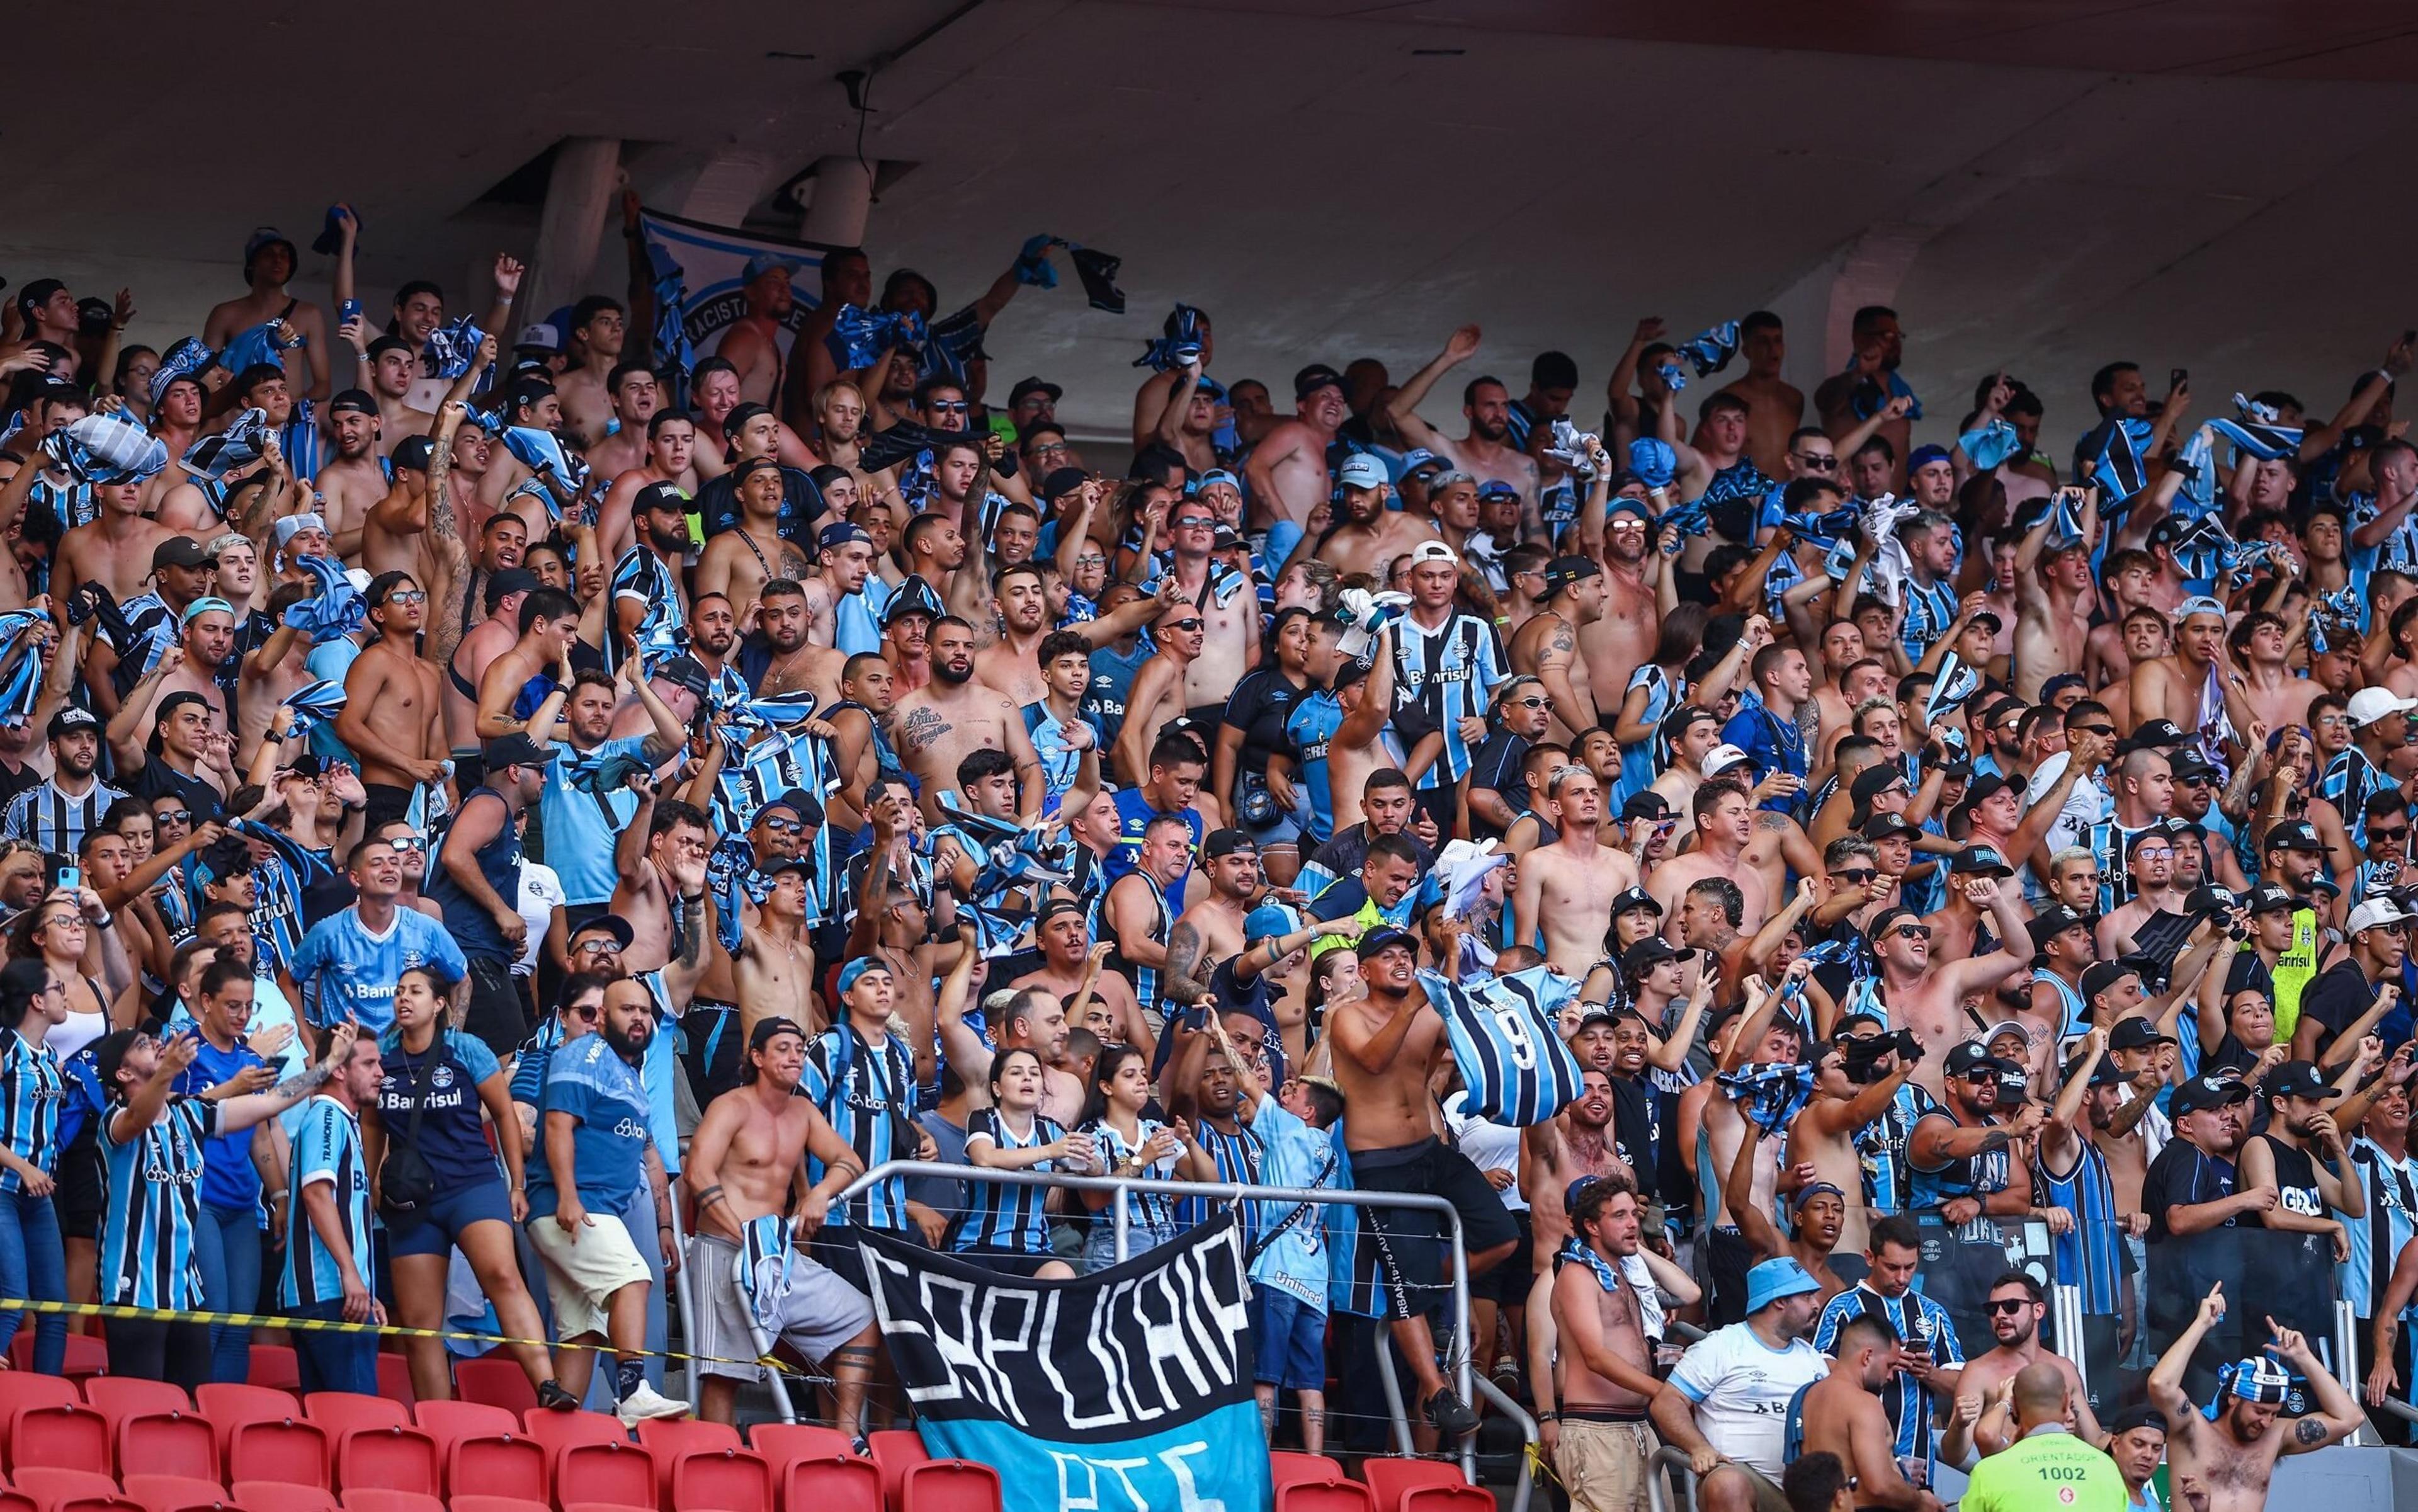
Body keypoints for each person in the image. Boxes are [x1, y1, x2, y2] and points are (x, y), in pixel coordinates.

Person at [1329, 927, 1521, 1440]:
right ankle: (1437, 1392)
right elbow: (1373, 1060)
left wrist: (1453, 958)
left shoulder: (1423, 1010)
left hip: (1432, 1152)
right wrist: (1414, 1005)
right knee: (1406, 1291)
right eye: (1386, 955)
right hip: (1381, 1162)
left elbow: (1453, 1032)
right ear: (1364, 970)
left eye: (1406, 955)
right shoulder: (1348, 1015)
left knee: (1502, 1235)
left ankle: (1423, 1283)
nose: (1399, 961)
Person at [92, 1018, 358, 1387]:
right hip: (133, 1289)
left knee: (188, 1409)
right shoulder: (114, 1121)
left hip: (186, 1293)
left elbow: (270, 1103)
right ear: (122, 1073)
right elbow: (138, 1117)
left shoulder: (190, 1114)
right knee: (140, 1406)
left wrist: (329, 1066)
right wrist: (167, 1074)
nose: (153, 1045)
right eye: (141, 1045)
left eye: (152, 1041)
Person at [360, 965, 571, 1408]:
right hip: (411, 1199)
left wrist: (516, 1183)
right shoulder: (382, 1055)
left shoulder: (466, 1049)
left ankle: (547, 1386)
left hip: (472, 1183)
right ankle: (437, 1419)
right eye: (399, 991)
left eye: (415, 991)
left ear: (439, 1004)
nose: (403, 998)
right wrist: (374, 1179)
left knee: (502, 1275)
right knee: (420, 1323)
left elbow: (505, 1115)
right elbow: (372, 1121)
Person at [525, 977, 688, 1424]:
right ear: (601, 1017)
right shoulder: (586, 1053)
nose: (638, 1017)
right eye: (626, 1009)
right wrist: (568, 1196)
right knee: (634, 1277)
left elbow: (648, 1154)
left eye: (645, 1010)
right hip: (579, 1209)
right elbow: (557, 1125)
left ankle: (558, 1438)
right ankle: (633, 1390)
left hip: (595, 1210)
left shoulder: (628, 1074)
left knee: (584, 1332)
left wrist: (664, 1223)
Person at [2148, 1283, 2366, 1512]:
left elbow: (2350, 1419)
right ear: (2233, 1399)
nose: (2267, 1422)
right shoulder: (2192, 1430)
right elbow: (2160, 1385)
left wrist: (2304, 1358)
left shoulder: (2275, 1436)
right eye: (2260, 1411)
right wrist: (2202, 1324)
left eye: (2274, 1413)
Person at [1649, 1256, 1832, 1512]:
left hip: (1803, 1491)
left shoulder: (1812, 1358)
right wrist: (1699, 1447)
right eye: (1807, 1297)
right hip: (1741, 1480)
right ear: (1780, 1301)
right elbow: (1667, 1403)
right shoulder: (1722, 1345)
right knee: (1728, 1484)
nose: (1816, 1304)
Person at [1547, 1171, 1665, 1512]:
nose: (1632, 1224)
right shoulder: (1576, 1275)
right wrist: (1661, 1391)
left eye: (1633, 1214)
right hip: (1597, 1431)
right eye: (1619, 1216)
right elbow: (1595, 1356)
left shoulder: (1624, 1274)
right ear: (1592, 1226)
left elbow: (1688, 1292)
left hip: (1638, 1426)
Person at [281, 1031, 385, 1395]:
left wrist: (367, 1286)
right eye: (369, 1064)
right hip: (330, 1296)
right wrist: (351, 1274)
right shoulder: (327, 1117)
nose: (380, 1073)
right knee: (356, 1423)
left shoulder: (343, 1122)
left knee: (332, 1427)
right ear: (339, 1070)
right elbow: (317, 1194)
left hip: (341, 1294)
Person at [0, 958, 69, 1377]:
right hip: (5, 1187)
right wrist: (23, 1166)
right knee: (13, 1296)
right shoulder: (5, 1047)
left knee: (54, 1307)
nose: (66, 995)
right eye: (58, 988)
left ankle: (48, 1397)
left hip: (37, 1196)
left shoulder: (50, 1055)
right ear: (38, 1000)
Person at [1956, 1362, 2128, 1512]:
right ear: (2067, 1402)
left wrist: (2004, 1404)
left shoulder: (1989, 1472)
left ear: (2015, 1406)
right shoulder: (2107, 1468)